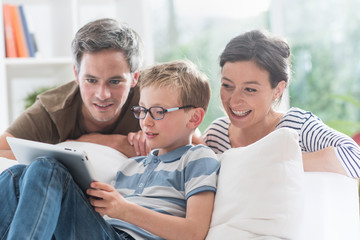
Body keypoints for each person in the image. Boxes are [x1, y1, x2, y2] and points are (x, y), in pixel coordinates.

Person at [0, 59, 220, 239]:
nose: (146, 121)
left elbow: (194, 232)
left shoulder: (198, 158)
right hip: (104, 231)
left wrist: (124, 209)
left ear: (195, 118)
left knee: (47, 169)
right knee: (18, 174)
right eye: (142, 110)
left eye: (159, 112)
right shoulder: (132, 165)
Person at [203, 30, 360, 179]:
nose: (234, 100)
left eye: (250, 89)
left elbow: (355, 157)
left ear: (278, 90)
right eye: (227, 85)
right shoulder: (216, 135)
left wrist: (269, 164)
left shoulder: (296, 127)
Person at [0, 18, 144, 159]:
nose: (102, 94)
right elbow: (2, 150)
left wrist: (99, 143)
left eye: (114, 81)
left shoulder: (151, 96)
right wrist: (72, 149)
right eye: (91, 80)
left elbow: (163, 148)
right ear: (76, 74)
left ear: (134, 77)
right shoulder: (53, 110)